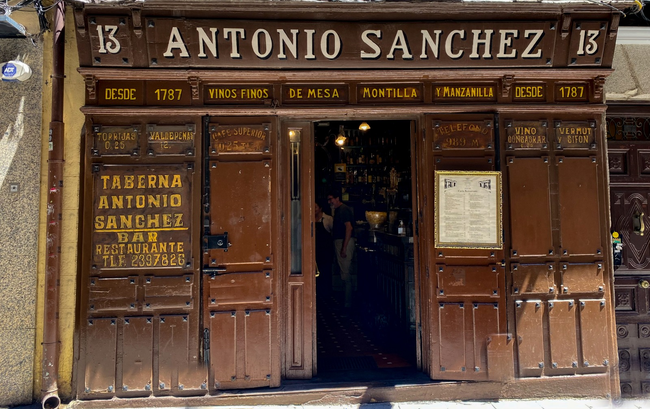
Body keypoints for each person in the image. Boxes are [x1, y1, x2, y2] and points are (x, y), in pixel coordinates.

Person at [327, 189, 355, 309]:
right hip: (341, 242)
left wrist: (344, 247)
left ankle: (347, 305)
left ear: (337, 198)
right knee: (344, 272)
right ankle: (346, 302)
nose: (329, 202)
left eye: (331, 199)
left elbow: (349, 228)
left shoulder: (343, 210)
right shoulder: (339, 210)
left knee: (345, 273)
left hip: (344, 242)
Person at [315, 201, 334, 301]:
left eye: (315, 207)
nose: (313, 209)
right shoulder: (309, 218)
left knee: (326, 271)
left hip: (325, 250)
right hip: (315, 249)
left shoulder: (328, 219)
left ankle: (326, 295)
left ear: (320, 208)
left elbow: (333, 234)